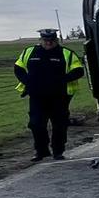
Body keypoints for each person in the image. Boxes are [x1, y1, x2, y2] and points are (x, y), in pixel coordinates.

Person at [13, 28, 85, 161]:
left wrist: (62, 79)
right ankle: (41, 151)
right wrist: (26, 81)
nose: (48, 43)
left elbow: (79, 70)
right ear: (40, 40)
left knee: (59, 124)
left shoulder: (66, 53)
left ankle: (58, 151)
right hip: (37, 96)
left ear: (56, 40)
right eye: (45, 40)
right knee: (36, 124)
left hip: (60, 96)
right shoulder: (30, 52)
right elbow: (18, 68)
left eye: (51, 40)